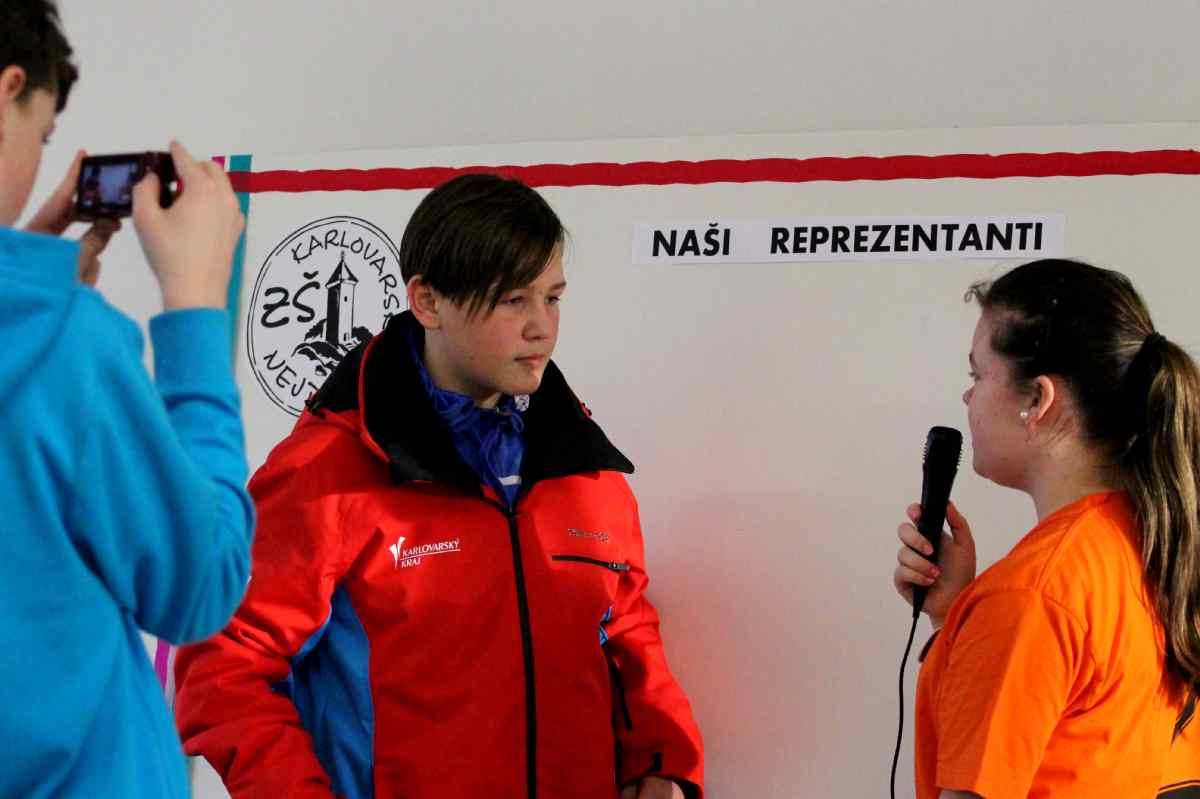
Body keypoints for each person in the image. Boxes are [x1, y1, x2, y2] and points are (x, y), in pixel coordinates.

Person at [174, 172, 705, 799]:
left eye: (552, 298)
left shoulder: (584, 469)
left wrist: (662, 765)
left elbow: (625, 632)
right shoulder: (328, 472)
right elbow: (224, 666)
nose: (542, 327)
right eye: (513, 300)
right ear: (427, 302)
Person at [0, 2, 255, 796]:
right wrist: (196, 307)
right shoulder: (66, 348)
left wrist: (26, 276)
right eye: (41, 136)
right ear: (6, 93)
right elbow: (200, 580)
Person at [892, 258, 1200, 798]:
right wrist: (954, 615)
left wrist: (985, 620)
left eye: (977, 375)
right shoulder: (1154, 547)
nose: (967, 397)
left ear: (1037, 400)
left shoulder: (1029, 596)